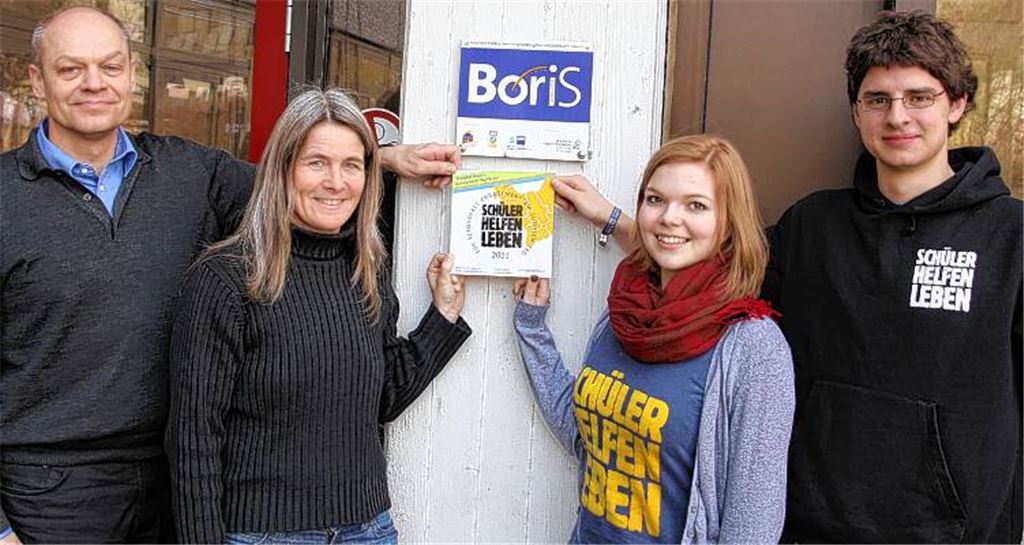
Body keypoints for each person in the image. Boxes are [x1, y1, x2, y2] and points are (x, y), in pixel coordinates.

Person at [551, 10, 1022, 544]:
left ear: (956, 104)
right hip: (810, 527)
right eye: (878, 99)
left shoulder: (1012, 237)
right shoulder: (813, 226)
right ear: (856, 111)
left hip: (953, 535)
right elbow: (705, 264)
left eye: (920, 97)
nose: (898, 117)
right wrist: (614, 219)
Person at [0, 6, 460, 544]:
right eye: (71, 69)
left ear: (131, 74)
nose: (94, 84)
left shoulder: (186, 171)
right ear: (36, 78)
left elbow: (299, 182)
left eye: (110, 66)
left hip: (169, 488)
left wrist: (385, 158)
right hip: (48, 495)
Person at [165, 87, 471, 545]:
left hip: (368, 530)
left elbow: (382, 395)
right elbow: (193, 441)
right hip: (263, 533)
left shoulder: (366, 268)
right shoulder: (227, 279)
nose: (336, 182)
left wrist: (442, 319)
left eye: (352, 165)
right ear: (283, 169)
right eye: (316, 163)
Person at [513, 135, 794, 544]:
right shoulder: (625, 313)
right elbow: (583, 433)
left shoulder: (753, 348)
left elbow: (753, 525)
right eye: (655, 199)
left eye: (695, 205)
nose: (668, 218)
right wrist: (532, 328)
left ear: (729, 222)